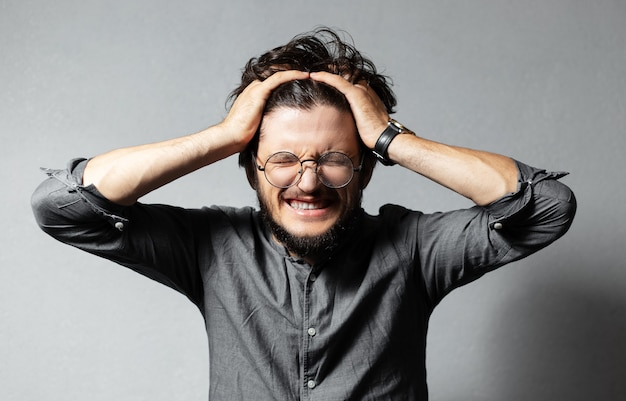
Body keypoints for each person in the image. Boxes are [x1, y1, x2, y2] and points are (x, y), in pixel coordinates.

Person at [32, 27, 576, 400]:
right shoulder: (210, 245)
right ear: (249, 167)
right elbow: (63, 208)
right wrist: (223, 137)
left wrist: (389, 136)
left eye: (336, 159)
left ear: (366, 168)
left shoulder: (414, 246)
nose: (308, 182)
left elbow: (546, 208)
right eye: (283, 160)